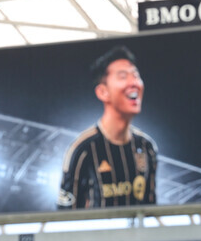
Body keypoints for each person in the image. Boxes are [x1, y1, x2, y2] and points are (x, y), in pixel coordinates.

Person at [58, 46, 158, 209]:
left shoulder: (147, 147)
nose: (133, 83)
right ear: (103, 92)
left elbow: (151, 206)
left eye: (136, 75)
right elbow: (65, 213)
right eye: (123, 77)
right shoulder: (83, 149)